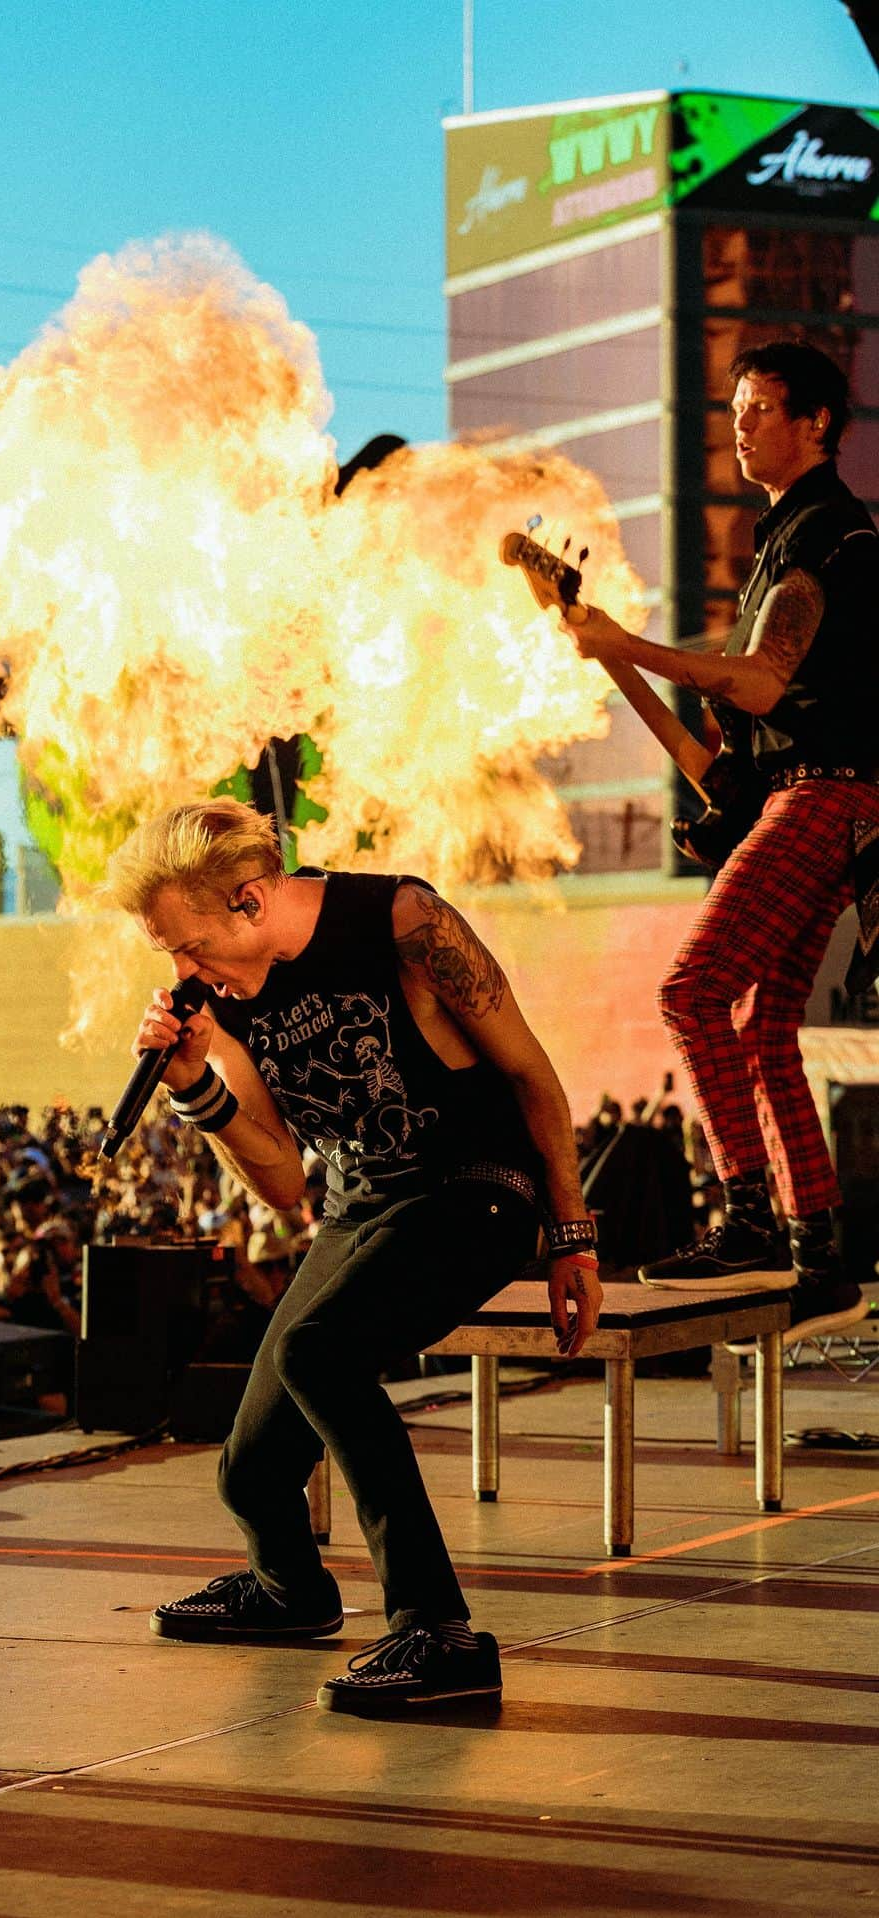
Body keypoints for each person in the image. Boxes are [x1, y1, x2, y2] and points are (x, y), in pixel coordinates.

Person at [105, 797, 601, 1716]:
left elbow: (533, 1074)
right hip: (359, 1207)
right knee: (249, 1470)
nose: (183, 972)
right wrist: (196, 1092)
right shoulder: (234, 997)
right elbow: (285, 1179)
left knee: (317, 1353)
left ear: (250, 901)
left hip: (475, 1187)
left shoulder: (403, 923)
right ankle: (292, 1592)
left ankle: (439, 1632)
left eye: (189, 945)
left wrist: (572, 1238)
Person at [563, 339, 878, 1340]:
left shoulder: (827, 532)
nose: (738, 425)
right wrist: (616, 661)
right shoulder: (778, 539)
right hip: (803, 794)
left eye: (757, 408)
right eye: (736, 409)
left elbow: (757, 681)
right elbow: (724, 754)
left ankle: (747, 1214)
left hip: (829, 798)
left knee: (690, 993)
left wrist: (633, 646)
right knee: (758, 1029)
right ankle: (817, 1253)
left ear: (815, 422)